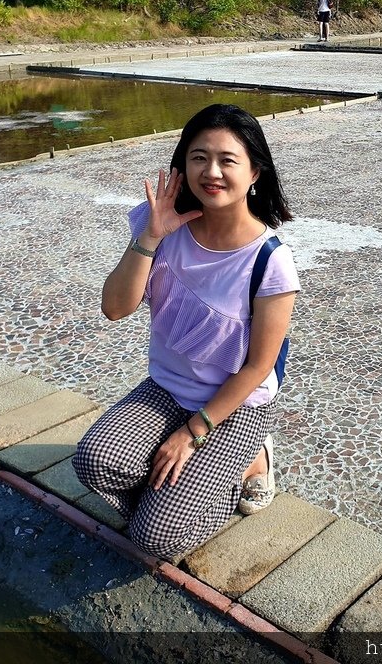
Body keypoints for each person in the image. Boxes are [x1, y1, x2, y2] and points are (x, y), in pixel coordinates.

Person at [73, 104, 300, 560]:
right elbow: (114, 309)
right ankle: (184, 484)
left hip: (232, 403)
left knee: (155, 537)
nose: (211, 172)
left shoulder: (270, 261)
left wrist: (192, 432)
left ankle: (252, 455)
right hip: (166, 388)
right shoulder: (160, 225)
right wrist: (151, 238)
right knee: (93, 463)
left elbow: (258, 366)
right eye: (199, 157)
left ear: (255, 171)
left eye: (227, 160)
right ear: (183, 163)